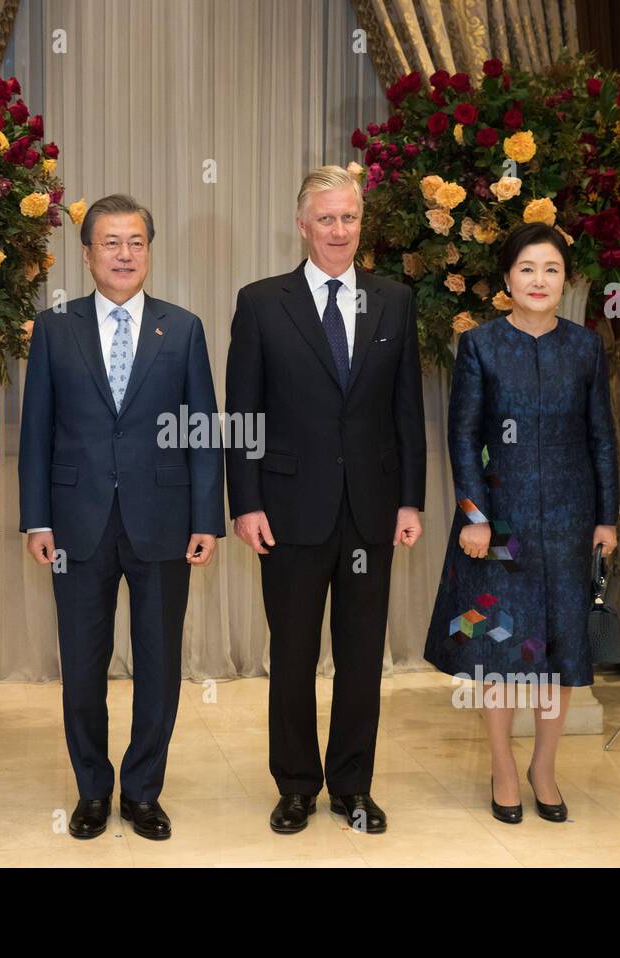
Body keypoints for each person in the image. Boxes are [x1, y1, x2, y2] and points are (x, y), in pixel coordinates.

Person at [225, 165, 427, 834]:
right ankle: (295, 786)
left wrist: (410, 501)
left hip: (371, 508)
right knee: (292, 655)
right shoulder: (261, 302)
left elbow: (407, 410)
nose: (339, 231)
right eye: (327, 219)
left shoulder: (395, 300)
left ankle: (352, 786)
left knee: (363, 655)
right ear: (302, 225)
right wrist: (245, 502)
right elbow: (243, 413)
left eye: (350, 218)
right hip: (287, 511)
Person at [19, 194, 224, 841]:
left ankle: (142, 790)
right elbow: (36, 433)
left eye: (136, 242)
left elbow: (202, 431)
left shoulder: (183, 328)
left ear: (150, 251)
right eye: (111, 242)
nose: (125, 254)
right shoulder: (55, 328)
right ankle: (92, 791)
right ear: (87, 255)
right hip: (76, 525)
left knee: (159, 665)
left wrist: (206, 518)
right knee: (82, 666)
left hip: (163, 519)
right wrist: (37, 520)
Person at [423, 221, 619, 824]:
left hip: (569, 518)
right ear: (507, 278)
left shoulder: (585, 348)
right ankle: (504, 766)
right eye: (528, 268)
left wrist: (607, 519)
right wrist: (475, 516)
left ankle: (545, 767)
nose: (539, 280)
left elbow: (602, 439)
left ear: (566, 280)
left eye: (552, 269)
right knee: (501, 649)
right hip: (500, 525)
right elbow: (462, 438)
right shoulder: (481, 345)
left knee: (560, 652)